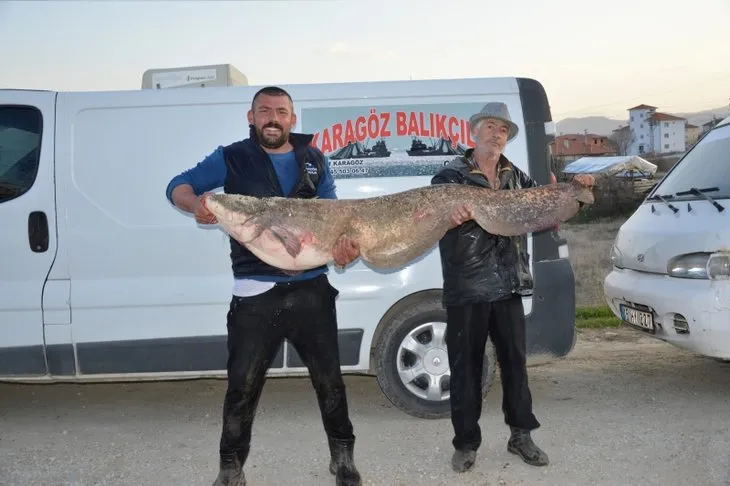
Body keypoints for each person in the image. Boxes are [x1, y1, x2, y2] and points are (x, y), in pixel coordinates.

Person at [165, 86, 363, 486]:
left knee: (330, 382)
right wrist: (196, 205)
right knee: (241, 386)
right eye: (265, 111)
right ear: (251, 117)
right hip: (255, 292)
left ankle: (342, 458)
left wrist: (345, 249)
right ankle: (230, 467)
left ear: (292, 119)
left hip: (312, 290)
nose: (273, 118)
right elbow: (178, 185)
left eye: (281, 112)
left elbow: (337, 216)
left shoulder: (315, 160)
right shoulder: (232, 156)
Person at [430, 102, 594, 473]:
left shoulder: (516, 178)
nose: (496, 134)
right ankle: (466, 443)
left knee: (516, 368)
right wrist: (450, 218)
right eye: (490, 127)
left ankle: (521, 436)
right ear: (474, 132)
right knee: (466, 370)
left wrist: (576, 194)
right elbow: (433, 222)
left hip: (507, 286)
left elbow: (545, 211)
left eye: (503, 130)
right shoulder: (448, 177)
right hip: (466, 287)